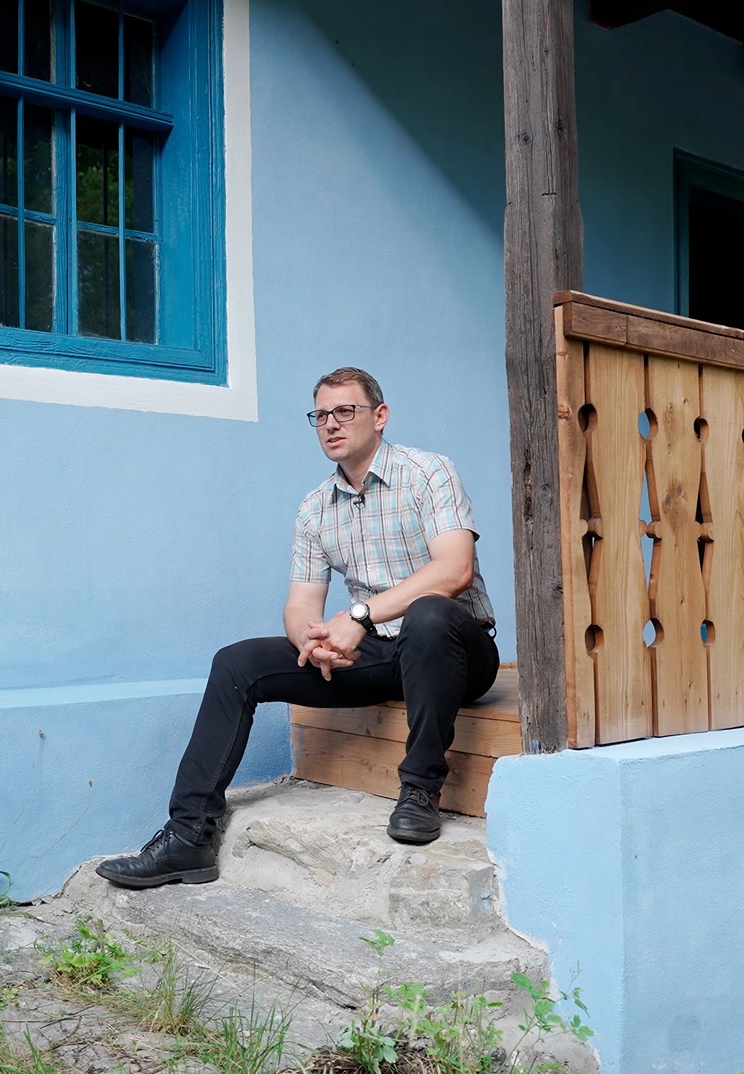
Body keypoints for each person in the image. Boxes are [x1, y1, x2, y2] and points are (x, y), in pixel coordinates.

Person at [97, 367, 499, 889]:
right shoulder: (315, 507)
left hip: (457, 651)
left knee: (427, 612)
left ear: (380, 416)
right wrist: (313, 641)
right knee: (237, 663)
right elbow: (300, 605)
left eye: (345, 411)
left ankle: (420, 790)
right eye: (321, 415)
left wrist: (358, 616)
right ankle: (188, 837)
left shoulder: (429, 472)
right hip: (384, 654)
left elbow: (454, 570)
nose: (331, 424)